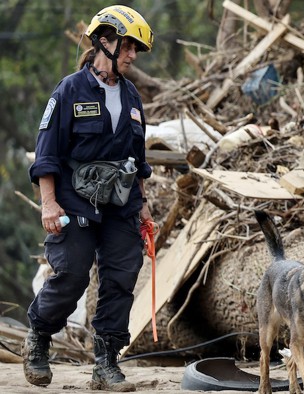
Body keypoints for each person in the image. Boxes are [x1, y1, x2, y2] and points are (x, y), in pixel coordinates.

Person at [25, 5, 154, 392]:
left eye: (136, 49)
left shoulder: (132, 97)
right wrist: (49, 204)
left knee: (121, 278)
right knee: (73, 274)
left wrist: (144, 206)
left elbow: (138, 161)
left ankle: (106, 364)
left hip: (120, 205)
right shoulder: (68, 91)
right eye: (128, 46)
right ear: (104, 40)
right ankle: (40, 337)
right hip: (74, 203)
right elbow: (46, 153)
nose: (132, 55)